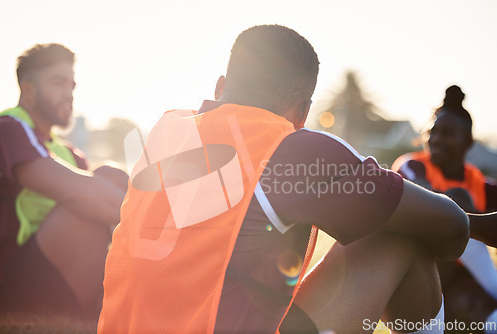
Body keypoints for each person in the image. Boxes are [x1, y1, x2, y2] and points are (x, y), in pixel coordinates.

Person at [98, 25, 496, 334]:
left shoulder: (167, 132)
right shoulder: (291, 147)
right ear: (303, 111)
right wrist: (480, 225)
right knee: (400, 233)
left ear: (221, 87)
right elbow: (450, 226)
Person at [0, 44, 128, 322]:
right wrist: (155, 219)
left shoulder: (68, 152)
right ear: (28, 90)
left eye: (72, 85)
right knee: (97, 190)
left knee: (111, 176)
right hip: (13, 282)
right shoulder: (8, 129)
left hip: (55, 274)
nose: (69, 93)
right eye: (58, 83)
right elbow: (79, 194)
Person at [393, 85, 497, 333]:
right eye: (432, 132)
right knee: (454, 203)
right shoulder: (412, 166)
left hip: (459, 282)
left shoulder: (480, 182)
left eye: (447, 133)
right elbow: (429, 201)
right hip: (418, 275)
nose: (436, 139)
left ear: (468, 142)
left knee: (478, 311)